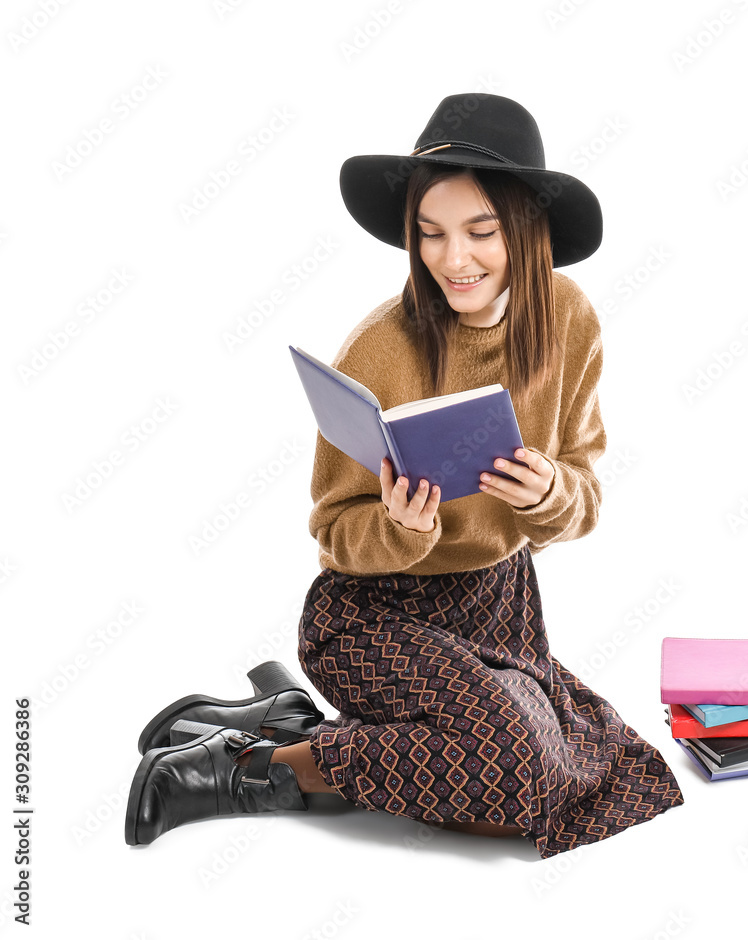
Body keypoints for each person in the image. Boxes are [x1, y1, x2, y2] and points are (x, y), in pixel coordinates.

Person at [125, 94, 684, 858]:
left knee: (576, 772)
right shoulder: (379, 350)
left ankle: (294, 724)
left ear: (526, 229)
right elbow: (332, 531)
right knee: (518, 769)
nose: (455, 259)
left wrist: (550, 494)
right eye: (431, 234)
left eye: (481, 232)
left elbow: (584, 484)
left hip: (500, 612)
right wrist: (399, 528)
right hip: (372, 615)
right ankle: (247, 768)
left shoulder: (569, 318)